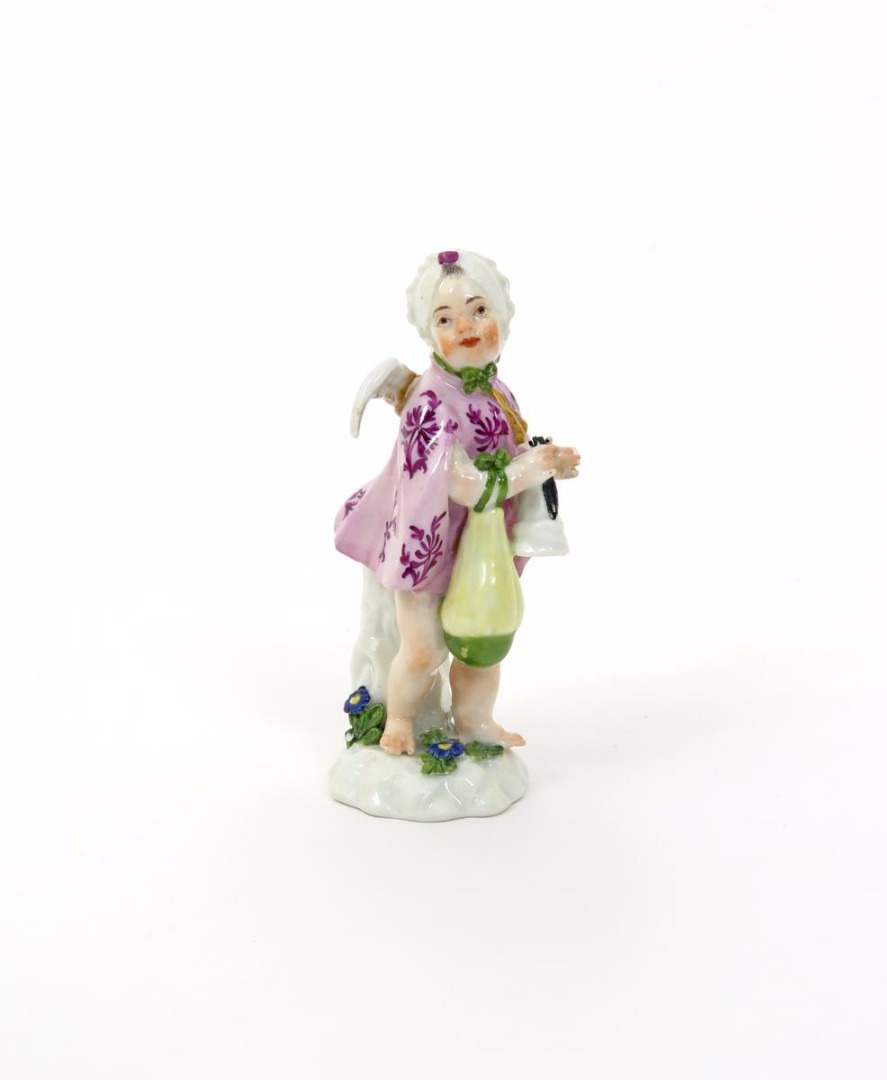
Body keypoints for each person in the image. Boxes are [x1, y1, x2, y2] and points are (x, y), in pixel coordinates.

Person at [334, 250, 580, 755]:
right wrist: (530, 469)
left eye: (478, 310)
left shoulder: (496, 391)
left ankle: (474, 720)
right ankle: (399, 718)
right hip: (427, 550)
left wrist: (545, 461)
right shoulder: (430, 404)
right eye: (445, 319)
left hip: (479, 548)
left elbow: (511, 448)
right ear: (429, 333)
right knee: (424, 650)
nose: (465, 327)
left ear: (501, 316)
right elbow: (463, 484)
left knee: (481, 646)